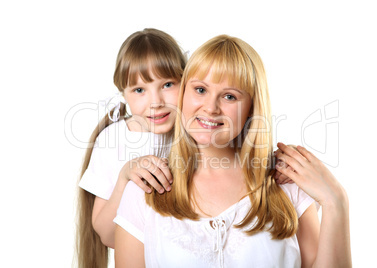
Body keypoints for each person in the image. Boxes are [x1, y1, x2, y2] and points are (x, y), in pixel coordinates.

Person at [114, 35, 351, 267]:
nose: (210, 107)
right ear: (183, 94)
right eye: (200, 90)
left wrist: (336, 201)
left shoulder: (288, 186)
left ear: (251, 108)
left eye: (229, 96)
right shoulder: (145, 188)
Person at [76, 28, 187, 268]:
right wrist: (125, 177)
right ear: (123, 93)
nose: (156, 102)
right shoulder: (113, 141)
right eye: (139, 90)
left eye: (167, 84)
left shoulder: (195, 133)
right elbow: (106, 235)